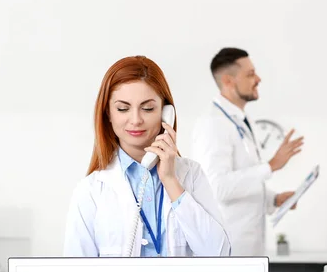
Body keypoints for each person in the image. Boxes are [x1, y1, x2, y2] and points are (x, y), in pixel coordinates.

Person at [64, 56, 230, 257]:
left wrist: (170, 180)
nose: (135, 120)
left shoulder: (191, 175)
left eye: (148, 108)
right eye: (123, 108)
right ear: (108, 113)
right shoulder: (91, 191)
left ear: (166, 112)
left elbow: (220, 254)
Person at [191, 48, 304, 256]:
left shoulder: (242, 120)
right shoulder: (213, 124)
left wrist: (273, 199)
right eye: (250, 74)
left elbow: (240, 179)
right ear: (228, 81)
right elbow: (217, 188)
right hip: (228, 251)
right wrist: (270, 166)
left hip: (249, 250)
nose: (258, 79)